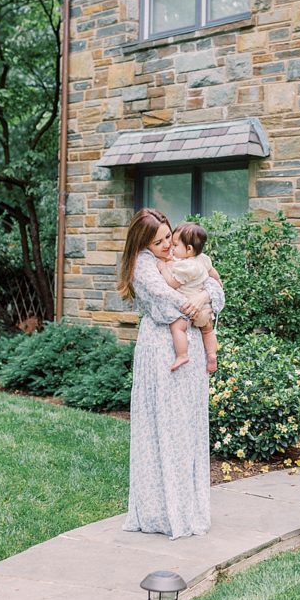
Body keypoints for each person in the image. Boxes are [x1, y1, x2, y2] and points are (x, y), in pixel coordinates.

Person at [117, 207, 224, 539]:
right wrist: (193, 305)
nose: (166, 244)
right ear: (144, 241)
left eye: (168, 237)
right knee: (165, 424)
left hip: (190, 346)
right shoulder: (142, 266)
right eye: (159, 240)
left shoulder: (181, 260)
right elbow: (165, 302)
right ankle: (161, 513)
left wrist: (203, 296)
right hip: (162, 350)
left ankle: (188, 508)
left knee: (188, 425)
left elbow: (218, 293)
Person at [156, 222, 220, 374]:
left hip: (190, 308)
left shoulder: (186, 267)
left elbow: (172, 283)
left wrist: (163, 268)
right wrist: (217, 283)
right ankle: (212, 354)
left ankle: (182, 355)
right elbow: (214, 275)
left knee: (178, 327)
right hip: (205, 309)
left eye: (176, 245)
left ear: (189, 249)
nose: (171, 247)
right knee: (208, 331)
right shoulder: (203, 259)